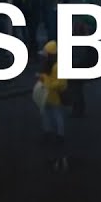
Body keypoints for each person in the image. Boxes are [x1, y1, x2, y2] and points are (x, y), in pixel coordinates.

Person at [35, 40, 69, 173]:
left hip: (53, 97)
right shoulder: (48, 66)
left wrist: (46, 84)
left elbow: (61, 83)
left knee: (56, 116)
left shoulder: (56, 67)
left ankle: (59, 134)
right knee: (49, 115)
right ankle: (50, 132)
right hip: (47, 97)